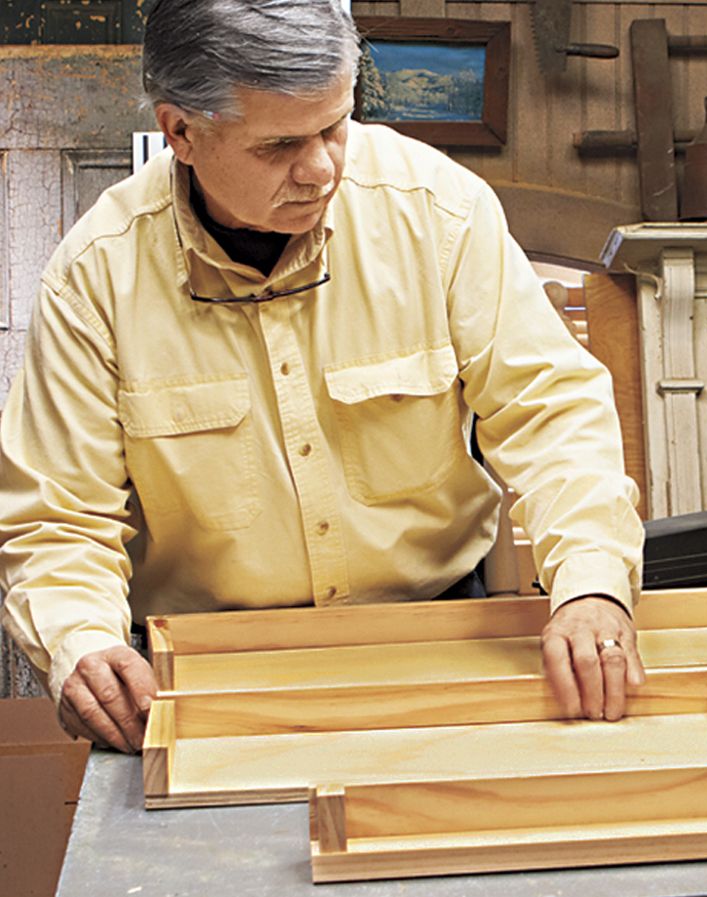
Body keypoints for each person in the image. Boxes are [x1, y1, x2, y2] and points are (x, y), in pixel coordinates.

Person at [0, 0, 645, 753]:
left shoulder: (437, 210)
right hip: (206, 666)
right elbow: (60, 519)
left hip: (433, 632)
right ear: (181, 131)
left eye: (335, 127)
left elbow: (551, 413)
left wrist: (593, 581)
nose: (322, 168)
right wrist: (81, 642)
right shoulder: (97, 276)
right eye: (279, 145)